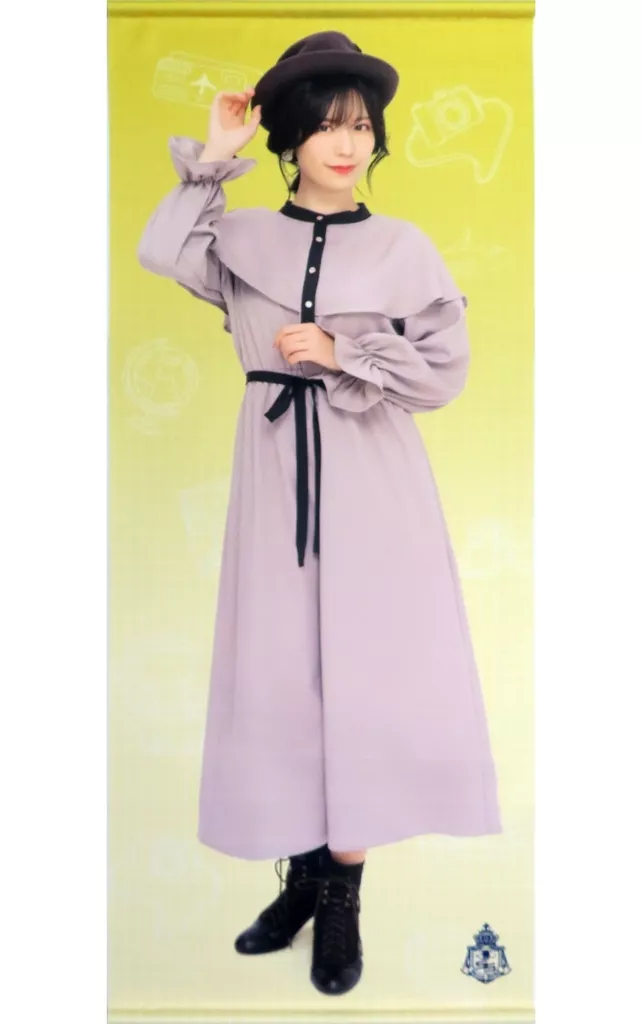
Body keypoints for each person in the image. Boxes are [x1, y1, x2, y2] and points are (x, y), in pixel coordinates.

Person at [137, 30, 502, 999]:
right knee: (281, 673)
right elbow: (162, 250)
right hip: (273, 477)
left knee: (366, 674)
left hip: (375, 481)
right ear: (292, 135)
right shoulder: (246, 237)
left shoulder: (403, 247)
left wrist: (343, 354)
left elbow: (445, 373)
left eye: (363, 127)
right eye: (329, 126)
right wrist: (217, 155)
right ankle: (301, 876)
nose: (348, 143)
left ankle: (343, 897)